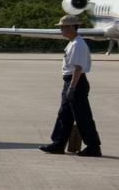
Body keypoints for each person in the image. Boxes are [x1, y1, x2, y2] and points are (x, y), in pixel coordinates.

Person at [39, 14, 102, 157]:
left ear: (72, 27)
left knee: (82, 116)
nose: (61, 30)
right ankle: (58, 144)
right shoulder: (73, 42)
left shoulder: (77, 44)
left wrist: (72, 88)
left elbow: (77, 68)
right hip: (72, 81)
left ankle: (93, 147)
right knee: (64, 115)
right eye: (61, 27)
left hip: (76, 82)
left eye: (63, 27)